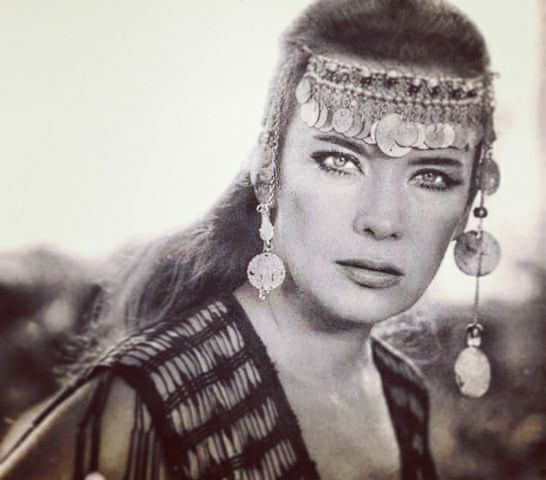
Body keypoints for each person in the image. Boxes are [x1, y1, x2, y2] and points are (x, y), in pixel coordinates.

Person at [0, 0, 500, 478]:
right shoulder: (149, 396)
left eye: (432, 176)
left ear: (469, 202)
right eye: (339, 161)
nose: (382, 220)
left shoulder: (402, 392)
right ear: (268, 171)